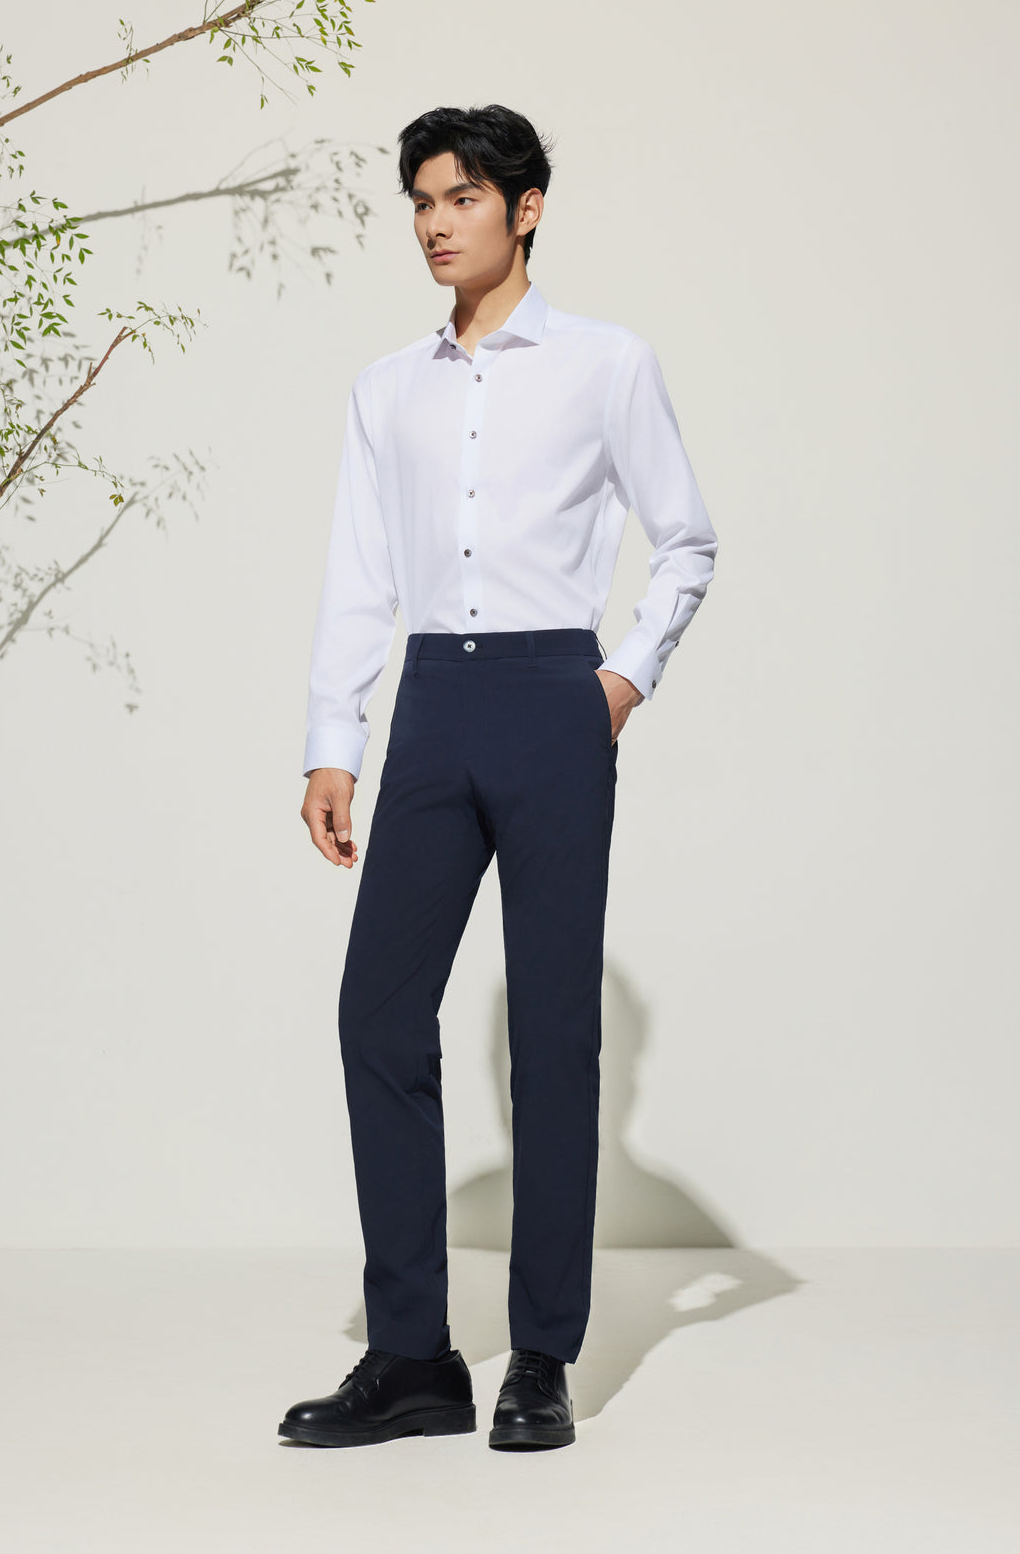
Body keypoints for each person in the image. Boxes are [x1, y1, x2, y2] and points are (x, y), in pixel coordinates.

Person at [278, 104, 719, 1451]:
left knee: (552, 1036)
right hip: (433, 705)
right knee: (377, 1013)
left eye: (461, 197)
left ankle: (540, 1356)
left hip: (551, 703)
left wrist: (620, 681)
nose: (435, 222)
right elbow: (360, 573)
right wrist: (335, 739)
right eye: (421, 200)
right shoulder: (386, 389)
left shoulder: (606, 365)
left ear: (525, 210)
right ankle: (414, 1358)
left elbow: (687, 541)